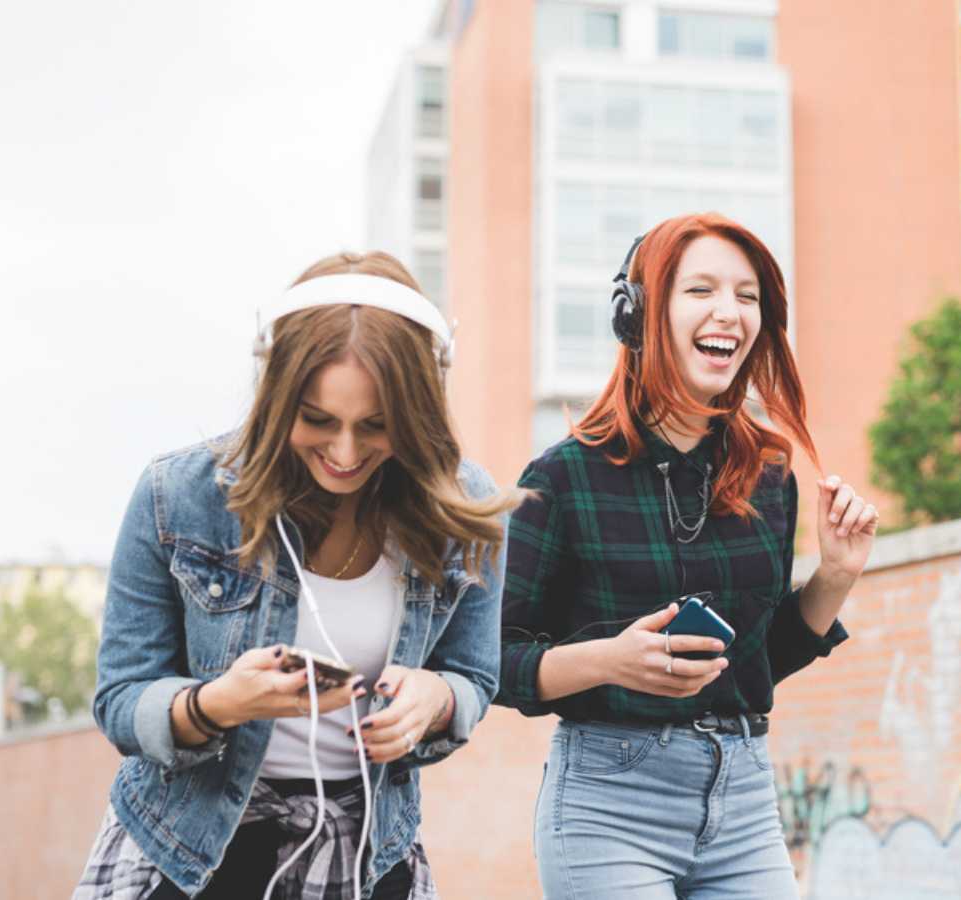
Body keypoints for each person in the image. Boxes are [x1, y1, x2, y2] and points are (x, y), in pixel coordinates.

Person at [74, 252, 518, 900]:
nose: (344, 453)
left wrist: (437, 700)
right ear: (276, 391)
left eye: (376, 426)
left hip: (366, 855)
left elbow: (474, 677)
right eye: (317, 420)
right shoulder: (177, 496)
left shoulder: (464, 511)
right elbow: (120, 701)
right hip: (184, 849)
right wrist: (216, 704)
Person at [498, 213, 878, 898]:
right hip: (609, 804)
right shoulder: (561, 480)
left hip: (744, 796)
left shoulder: (769, 473)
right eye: (700, 290)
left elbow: (756, 661)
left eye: (747, 295)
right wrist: (608, 660)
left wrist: (836, 575)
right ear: (638, 314)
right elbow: (492, 662)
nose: (728, 312)